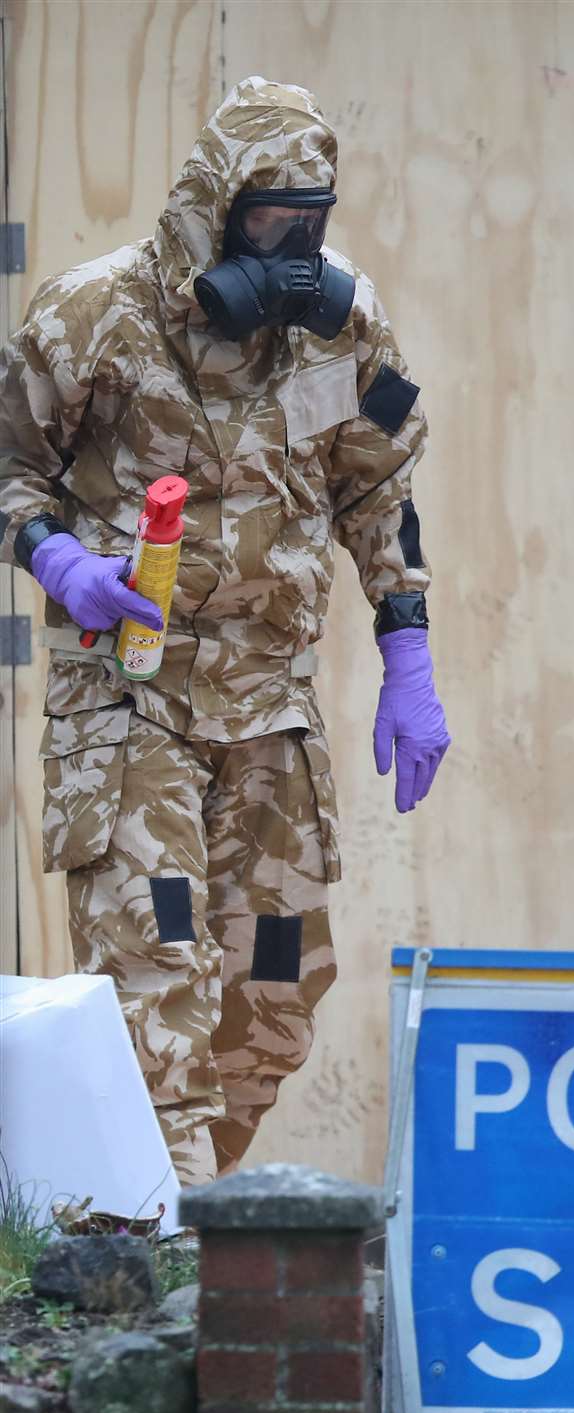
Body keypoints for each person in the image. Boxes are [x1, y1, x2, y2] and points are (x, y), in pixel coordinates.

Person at [0, 77, 450, 1187]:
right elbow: (9, 465)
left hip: (271, 712)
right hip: (128, 698)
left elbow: (376, 482)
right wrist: (57, 558)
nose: (298, 248)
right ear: (216, 207)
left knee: (272, 997)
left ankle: (193, 1222)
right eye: (272, 223)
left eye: (315, 220)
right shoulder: (92, 313)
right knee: (161, 979)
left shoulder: (343, 326)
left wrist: (408, 650)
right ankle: (179, 1279)